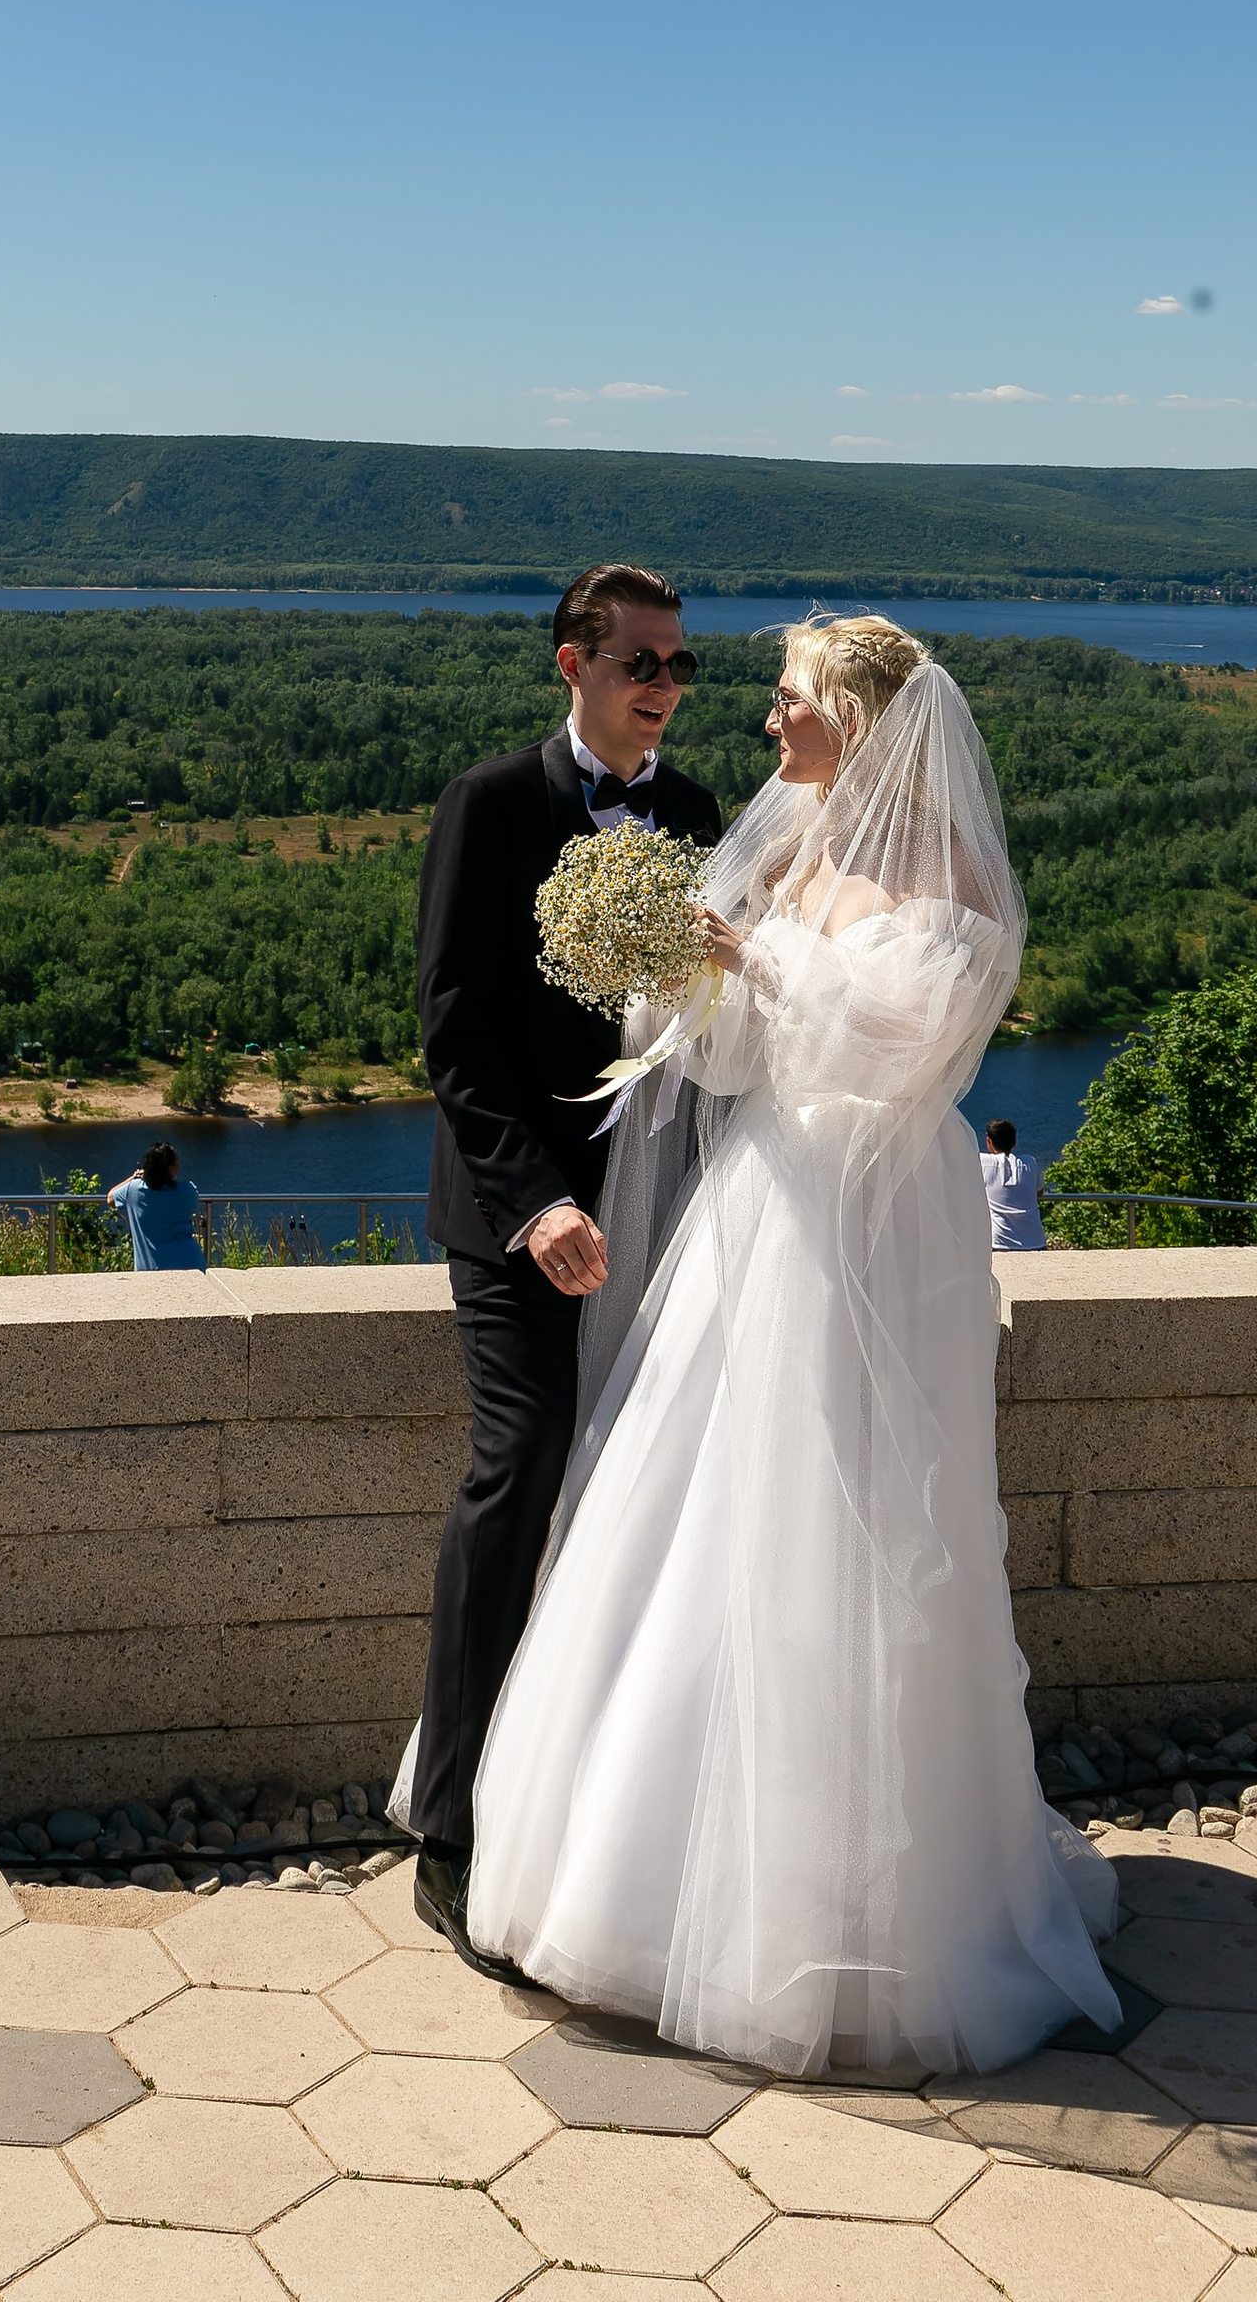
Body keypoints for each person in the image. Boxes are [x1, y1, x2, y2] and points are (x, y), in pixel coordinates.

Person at [462, 614, 1119, 2073]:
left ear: (859, 720)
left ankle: (873, 1914)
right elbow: (743, 1057)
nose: (766, 723)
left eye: (789, 700)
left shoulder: (955, 881)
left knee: (865, 1514)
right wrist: (689, 979)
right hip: (765, 1204)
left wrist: (756, 958)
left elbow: (905, 1046)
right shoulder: (799, 853)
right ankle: (650, 1885)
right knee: (707, 1498)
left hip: (880, 1219)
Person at [400, 562, 726, 1966]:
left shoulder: (697, 817)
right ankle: (450, 1825)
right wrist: (535, 1203)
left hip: (656, 1210)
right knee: (520, 1469)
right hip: (515, 1216)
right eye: (639, 660)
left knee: (643, 1492)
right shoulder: (490, 804)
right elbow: (454, 1029)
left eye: (679, 664)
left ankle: (592, 1816)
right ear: (571, 664)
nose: (663, 685)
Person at [107, 1139, 206, 1270]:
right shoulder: (187, 1191)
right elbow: (193, 1206)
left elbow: (110, 1198)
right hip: (189, 1262)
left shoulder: (133, 1190)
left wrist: (134, 1177)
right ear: (170, 1169)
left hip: (150, 1268)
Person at [981, 1116, 1047, 1250]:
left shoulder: (982, 1162)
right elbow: (1039, 1192)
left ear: (989, 1141)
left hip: (1000, 1241)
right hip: (1036, 1241)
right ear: (1014, 1142)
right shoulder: (1030, 1162)